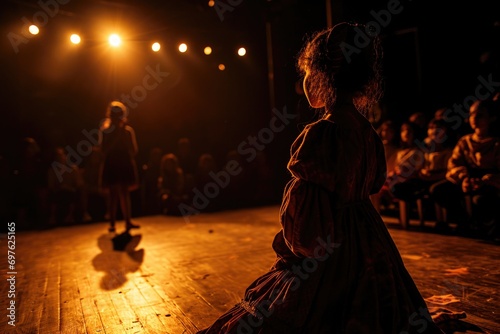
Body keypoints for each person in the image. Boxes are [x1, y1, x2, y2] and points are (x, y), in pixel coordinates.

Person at [197, 22, 444, 333]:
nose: (305, 81)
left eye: (307, 73)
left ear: (323, 76)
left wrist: (294, 250)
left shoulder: (322, 133)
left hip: (330, 245)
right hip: (369, 238)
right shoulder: (368, 133)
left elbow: (303, 220)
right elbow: (373, 182)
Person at [432, 98, 500, 239]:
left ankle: (485, 228)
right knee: (439, 190)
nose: (474, 118)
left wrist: (486, 181)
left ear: (491, 118)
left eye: (479, 115)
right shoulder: (465, 141)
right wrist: (463, 178)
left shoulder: (496, 143)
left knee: (481, 200)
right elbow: (454, 163)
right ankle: (464, 222)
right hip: (467, 179)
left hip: (490, 182)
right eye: (471, 114)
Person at [99, 101, 140, 233]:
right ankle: (112, 223)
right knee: (113, 194)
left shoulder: (128, 132)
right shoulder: (106, 132)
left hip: (124, 163)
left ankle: (128, 221)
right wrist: (117, 135)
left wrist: (123, 135)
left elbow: (133, 150)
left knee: (124, 192)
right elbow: (104, 150)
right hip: (112, 163)